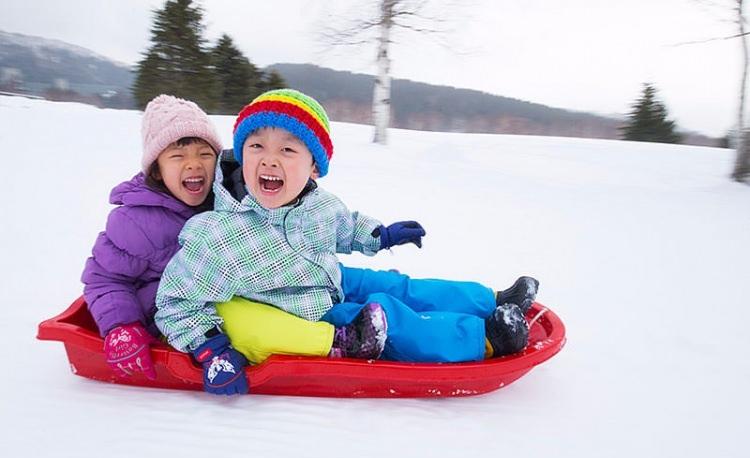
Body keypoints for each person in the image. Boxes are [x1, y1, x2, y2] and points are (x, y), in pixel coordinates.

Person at [155, 89, 539, 396]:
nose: (269, 161)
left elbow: (344, 227)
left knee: (397, 285)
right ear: (241, 154)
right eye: (256, 147)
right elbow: (174, 302)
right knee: (388, 315)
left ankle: (490, 299)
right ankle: (482, 339)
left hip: (332, 277)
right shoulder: (216, 234)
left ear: (313, 167)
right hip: (304, 308)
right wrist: (211, 349)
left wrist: (380, 235)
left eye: (287, 150)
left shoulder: (314, 201)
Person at [81, 94, 380, 383]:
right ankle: (333, 342)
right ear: (157, 170)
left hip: (224, 290)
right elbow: (104, 279)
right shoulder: (134, 221)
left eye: (204, 154)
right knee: (241, 318)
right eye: (177, 156)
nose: (194, 165)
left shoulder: (221, 198)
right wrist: (122, 326)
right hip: (176, 318)